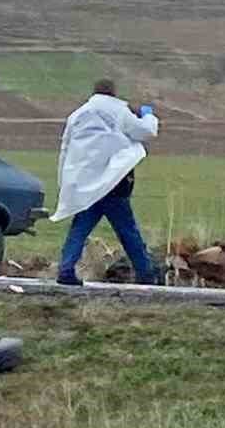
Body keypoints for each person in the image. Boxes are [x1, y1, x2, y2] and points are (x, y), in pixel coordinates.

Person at [51, 79, 160, 286]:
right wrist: (148, 116)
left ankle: (66, 270)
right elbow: (145, 132)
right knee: (128, 231)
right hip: (114, 182)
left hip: (85, 186)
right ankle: (146, 274)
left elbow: (65, 150)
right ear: (113, 93)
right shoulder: (119, 112)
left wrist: (65, 184)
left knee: (79, 229)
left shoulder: (77, 116)